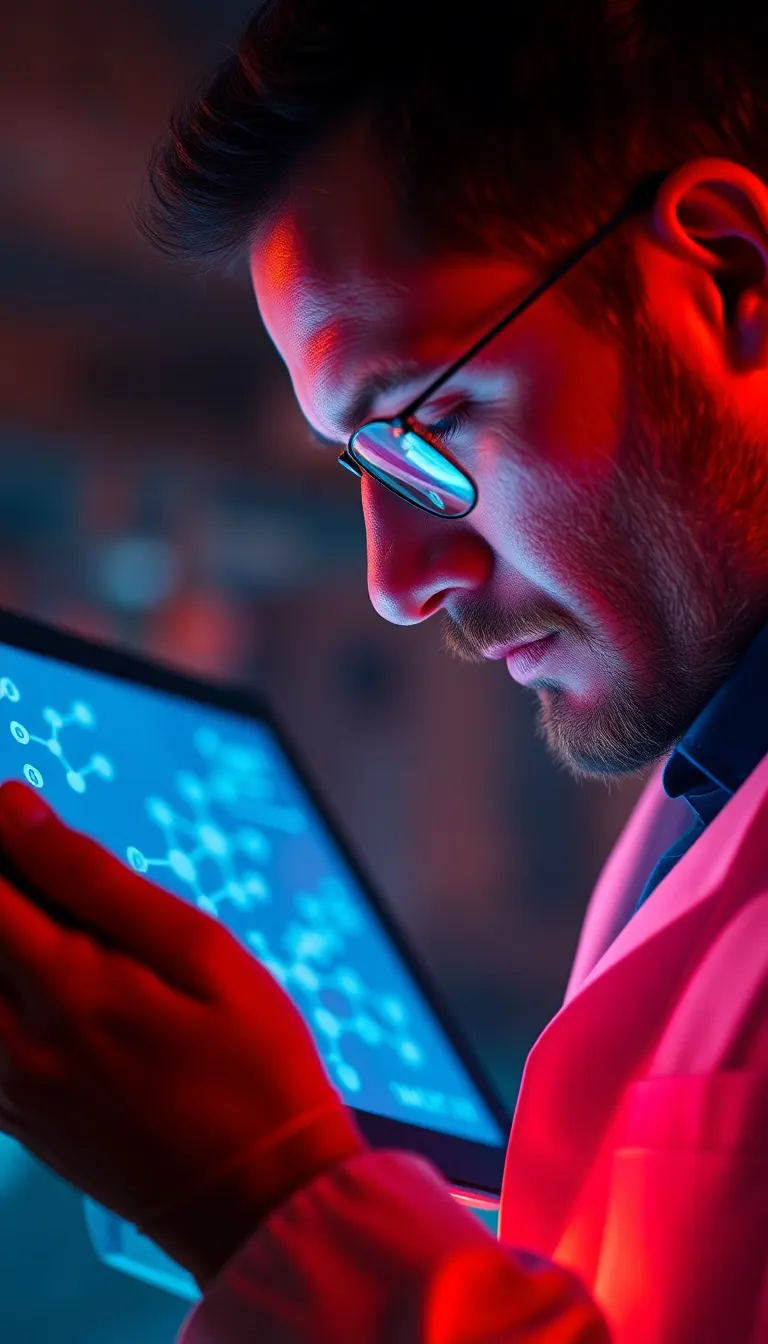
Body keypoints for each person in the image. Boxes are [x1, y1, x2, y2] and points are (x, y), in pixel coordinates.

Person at [0, 1, 766, 1339]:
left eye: (427, 427)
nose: (398, 581)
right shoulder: (699, 797)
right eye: (360, 470)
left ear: (731, 277)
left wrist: (265, 1200)